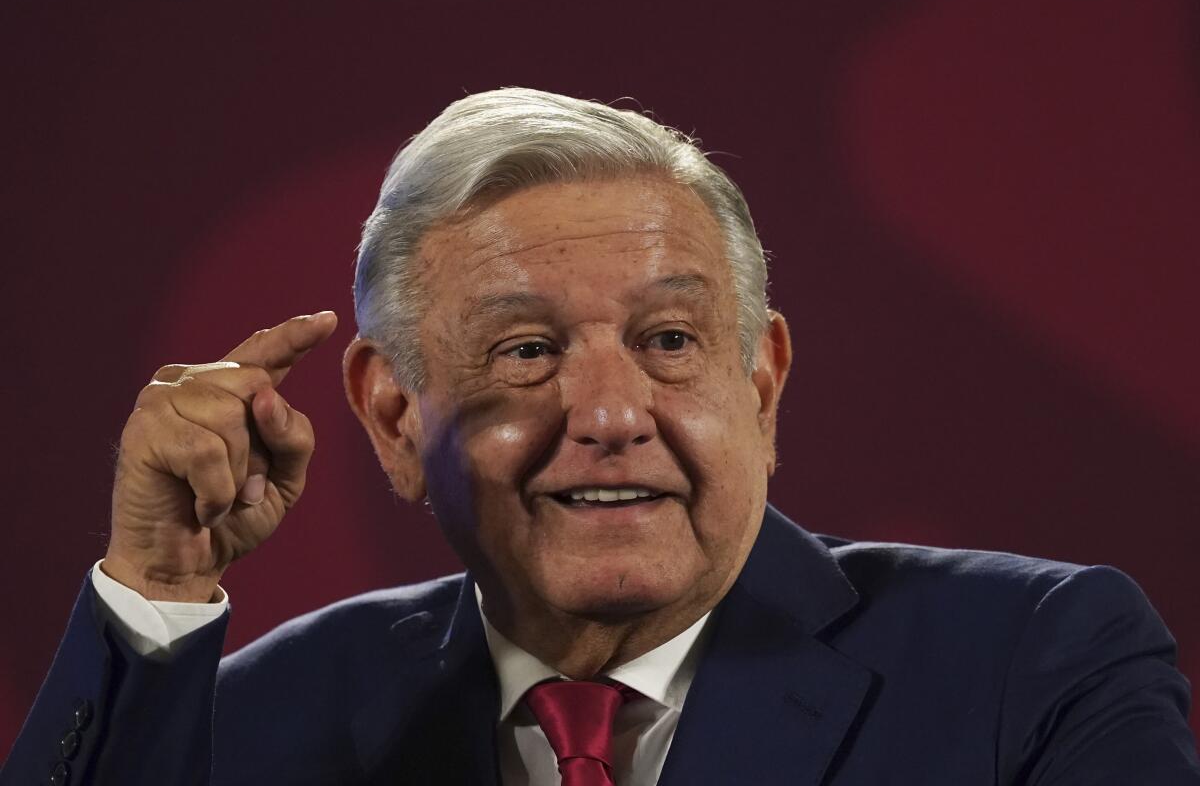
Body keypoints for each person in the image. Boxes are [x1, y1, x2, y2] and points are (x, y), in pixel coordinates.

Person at [3, 87, 1198, 786]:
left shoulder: (1034, 665)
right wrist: (157, 585)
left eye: (671, 340)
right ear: (393, 413)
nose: (614, 412)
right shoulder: (270, 718)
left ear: (762, 380)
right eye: (525, 351)